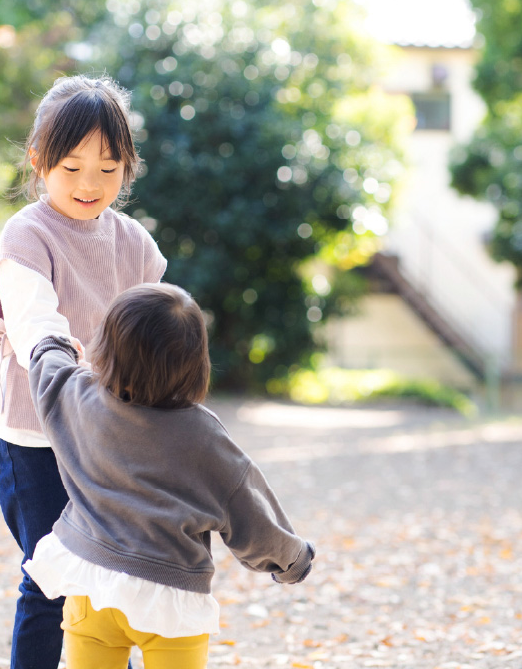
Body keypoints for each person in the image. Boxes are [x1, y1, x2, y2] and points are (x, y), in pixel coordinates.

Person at [0, 74, 167, 669]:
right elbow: (36, 328)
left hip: (114, 434)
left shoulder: (133, 241)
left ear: (127, 169)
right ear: (39, 160)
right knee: (49, 574)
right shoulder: (28, 234)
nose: (90, 184)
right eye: (73, 167)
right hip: (39, 434)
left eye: (109, 170)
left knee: (115, 573)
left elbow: (154, 330)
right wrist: (76, 379)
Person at [23, 283, 314, 669]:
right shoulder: (203, 436)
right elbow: (249, 511)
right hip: (169, 601)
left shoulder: (81, 399)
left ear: (106, 351)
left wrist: (52, 345)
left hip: (92, 586)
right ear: (196, 364)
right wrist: (291, 560)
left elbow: (48, 371)